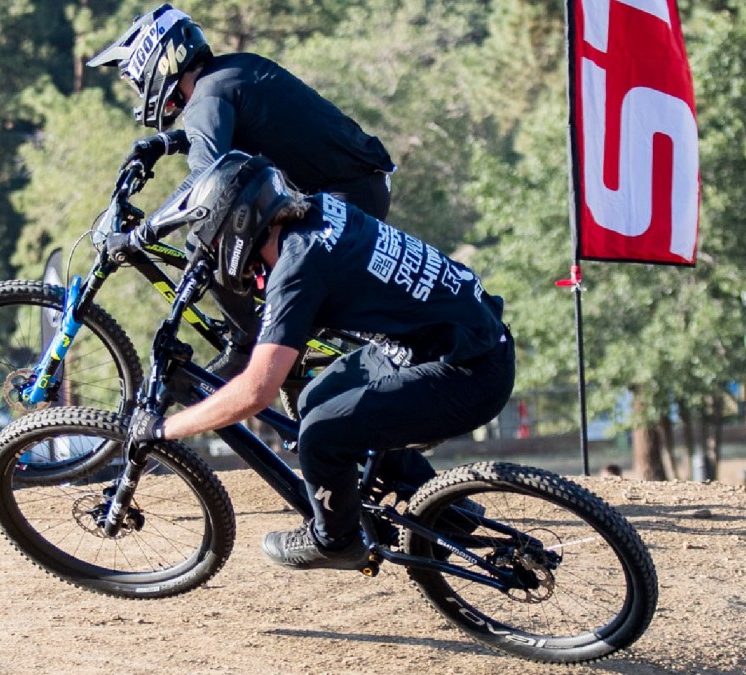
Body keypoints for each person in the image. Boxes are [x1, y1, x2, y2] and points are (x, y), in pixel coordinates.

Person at [122, 152, 515, 570]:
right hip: (448, 340)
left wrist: (167, 429)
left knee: (321, 435)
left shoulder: (298, 268)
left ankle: (336, 540)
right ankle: (447, 512)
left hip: (468, 373)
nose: (212, 249)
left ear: (238, 228)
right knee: (314, 398)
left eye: (213, 238)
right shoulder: (321, 211)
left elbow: (257, 392)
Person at [89, 4, 396, 377]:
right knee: (250, 252)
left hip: (347, 197)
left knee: (207, 238)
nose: (139, 92)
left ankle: (246, 340)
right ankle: (289, 373)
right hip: (358, 187)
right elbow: (237, 132)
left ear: (158, 62)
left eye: (136, 81)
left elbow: (207, 185)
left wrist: (140, 235)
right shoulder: (229, 73)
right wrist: (167, 143)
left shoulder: (208, 96)